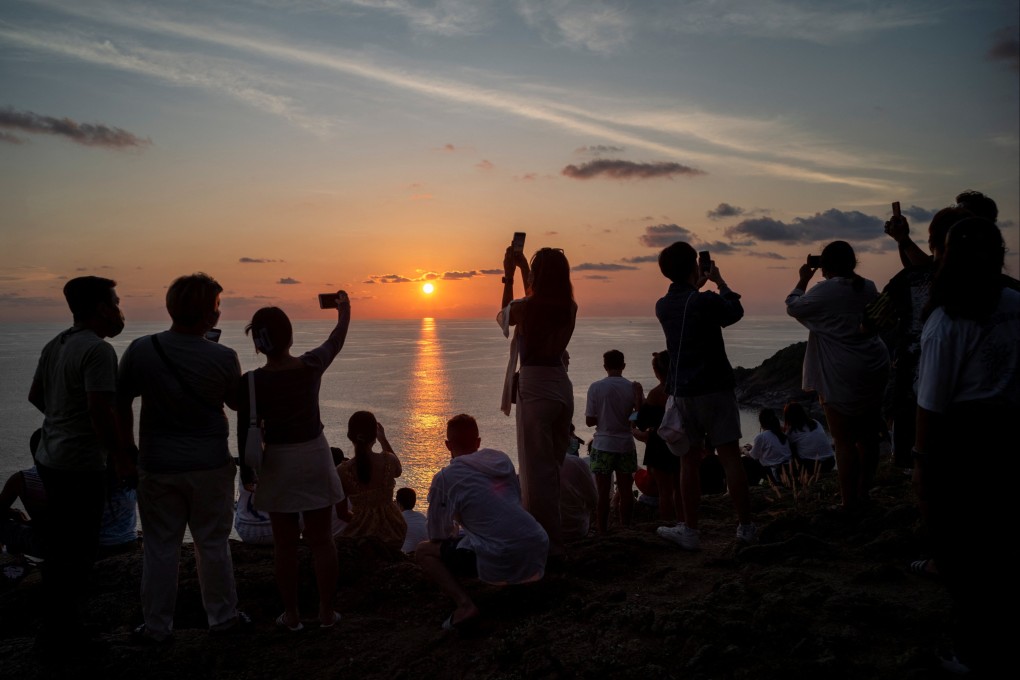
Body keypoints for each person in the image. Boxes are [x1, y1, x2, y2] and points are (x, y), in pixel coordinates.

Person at [913, 218, 1019, 673]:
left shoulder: (947, 320)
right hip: (1009, 438)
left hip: (964, 444)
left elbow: (931, 404)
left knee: (963, 552)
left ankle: (973, 655)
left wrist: (920, 462)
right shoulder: (1017, 303)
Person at [117, 273, 246, 643]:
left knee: (160, 547)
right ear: (210, 314)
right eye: (217, 306)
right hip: (210, 466)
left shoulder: (142, 349)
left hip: (157, 465)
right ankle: (223, 620)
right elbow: (237, 403)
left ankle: (157, 628)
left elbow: (120, 399)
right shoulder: (223, 356)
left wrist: (126, 451)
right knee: (213, 544)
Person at [238, 299, 350, 630]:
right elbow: (336, 340)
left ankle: (292, 616)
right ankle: (327, 614)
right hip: (314, 455)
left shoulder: (251, 382)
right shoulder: (311, 364)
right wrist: (344, 312)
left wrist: (247, 473)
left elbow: (243, 428)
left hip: (277, 461)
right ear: (290, 337)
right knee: (321, 540)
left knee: (284, 545)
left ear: (258, 344)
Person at [28, 275, 128, 642]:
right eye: (116, 303)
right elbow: (100, 410)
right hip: (81, 463)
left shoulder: (56, 344)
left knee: (59, 547)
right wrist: (118, 456)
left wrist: (60, 419)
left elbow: (36, 395)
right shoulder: (98, 351)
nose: (120, 311)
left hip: (51, 456)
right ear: (101, 308)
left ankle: (55, 624)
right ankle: (67, 631)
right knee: (82, 550)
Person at [654, 243, 755, 550]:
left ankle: (691, 530)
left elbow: (688, 305)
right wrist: (720, 282)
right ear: (694, 268)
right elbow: (734, 312)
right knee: (730, 459)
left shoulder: (662, 305)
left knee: (688, 461)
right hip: (716, 389)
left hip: (684, 393)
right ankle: (746, 528)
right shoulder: (706, 301)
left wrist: (695, 284)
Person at [416, 414, 549, 630]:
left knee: (423, 551)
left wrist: (455, 529)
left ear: (447, 445)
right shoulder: (502, 460)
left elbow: (436, 534)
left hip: (503, 553)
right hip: (537, 543)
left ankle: (464, 605)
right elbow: (515, 500)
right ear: (478, 442)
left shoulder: (445, 478)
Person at [786, 242, 889, 510]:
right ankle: (864, 493)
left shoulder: (826, 289)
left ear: (825, 266)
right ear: (853, 262)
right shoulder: (868, 286)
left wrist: (802, 280)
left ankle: (848, 502)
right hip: (874, 363)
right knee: (868, 436)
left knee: (843, 441)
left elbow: (794, 307)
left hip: (841, 370)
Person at [869, 206, 972, 468]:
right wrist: (902, 241)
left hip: (915, 384)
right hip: (978, 395)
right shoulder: (1003, 287)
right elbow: (929, 265)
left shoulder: (910, 281)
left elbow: (872, 321)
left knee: (919, 464)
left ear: (932, 240)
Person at [498, 245, 577, 558]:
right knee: (552, 469)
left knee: (534, 472)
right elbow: (538, 295)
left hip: (535, 385)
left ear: (538, 276)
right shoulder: (569, 306)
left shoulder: (527, 308)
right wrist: (521, 267)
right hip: (561, 384)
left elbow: (505, 318)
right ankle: (554, 534)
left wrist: (508, 275)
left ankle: (546, 543)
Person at [585, 350, 641, 532]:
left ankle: (602, 530)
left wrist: (604, 418)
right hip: (625, 443)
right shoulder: (632, 387)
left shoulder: (596, 387)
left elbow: (589, 421)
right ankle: (625, 527)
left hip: (602, 445)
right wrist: (631, 414)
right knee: (626, 492)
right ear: (623, 366)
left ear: (605, 366)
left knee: (602, 492)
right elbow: (637, 417)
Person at [337, 411, 406, 550]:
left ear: (350, 436)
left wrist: (363, 519)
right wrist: (383, 440)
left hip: (360, 536)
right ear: (374, 436)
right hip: (394, 533)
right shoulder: (389, 460)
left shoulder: (342, 471)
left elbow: (342, 514)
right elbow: (398, 471)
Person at [631, 351, 682, 523]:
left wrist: (638, 398)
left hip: (660, 446)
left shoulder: (657, 392)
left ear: (656, 370)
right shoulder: (682, 388)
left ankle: (667, 524)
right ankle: (684, 522)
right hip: (682, 442)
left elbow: (641, 421)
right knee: (679, 488)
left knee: (664, 492)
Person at [0, 430, 47, 559]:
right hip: (83, 546)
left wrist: (13, 513)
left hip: (45, 546)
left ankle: (7, 561)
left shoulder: (20, 479)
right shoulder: (80, 477)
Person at [782, 401, 834, 475]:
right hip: (830, 462)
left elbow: (786, 448)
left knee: (789, 447)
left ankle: (796, 474)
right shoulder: (815, 422)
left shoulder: (792, 432)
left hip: (811, 466)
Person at [558, 444, 597, 539]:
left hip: (545, 531)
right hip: (575, 530)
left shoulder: (530, 466)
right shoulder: (577, 463)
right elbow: (593, 500)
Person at [745, 408, 793, 485]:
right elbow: (770, 448)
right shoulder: (781, 434)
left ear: (761, 422)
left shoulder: (761, 436)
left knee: (746, 461)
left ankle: (752, 486)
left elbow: (753, 456)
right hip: (788, 468)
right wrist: (752, 447)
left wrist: (743, 450)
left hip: (774, 471)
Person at [396, 487, 428, 554]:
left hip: (406, 554)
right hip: (423, 553)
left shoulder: (398, 519)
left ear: (398, 504)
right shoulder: (422, 517)